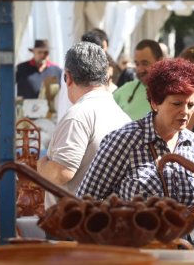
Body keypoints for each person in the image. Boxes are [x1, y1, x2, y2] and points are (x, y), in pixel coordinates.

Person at [77, 58, 194, 208]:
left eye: (190, 105)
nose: (185, 111)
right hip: (132, 231)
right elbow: (85, 201)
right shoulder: (125, 140)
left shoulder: (191, 142)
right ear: (155, 103)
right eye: (177, 103)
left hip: (180, 231)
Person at [37, 42, 131, 209]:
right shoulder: (122, 116)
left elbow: (61, 172)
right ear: (106, 77)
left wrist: (41, 164)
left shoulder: (79, 115)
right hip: (104, 219)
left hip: (72, 223)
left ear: (69, 77)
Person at [113, 39, 164, 120]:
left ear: (160, 61)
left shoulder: (171, 92)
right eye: (137, 64)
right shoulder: (124, 91)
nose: (139, 69)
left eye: (145, 63)